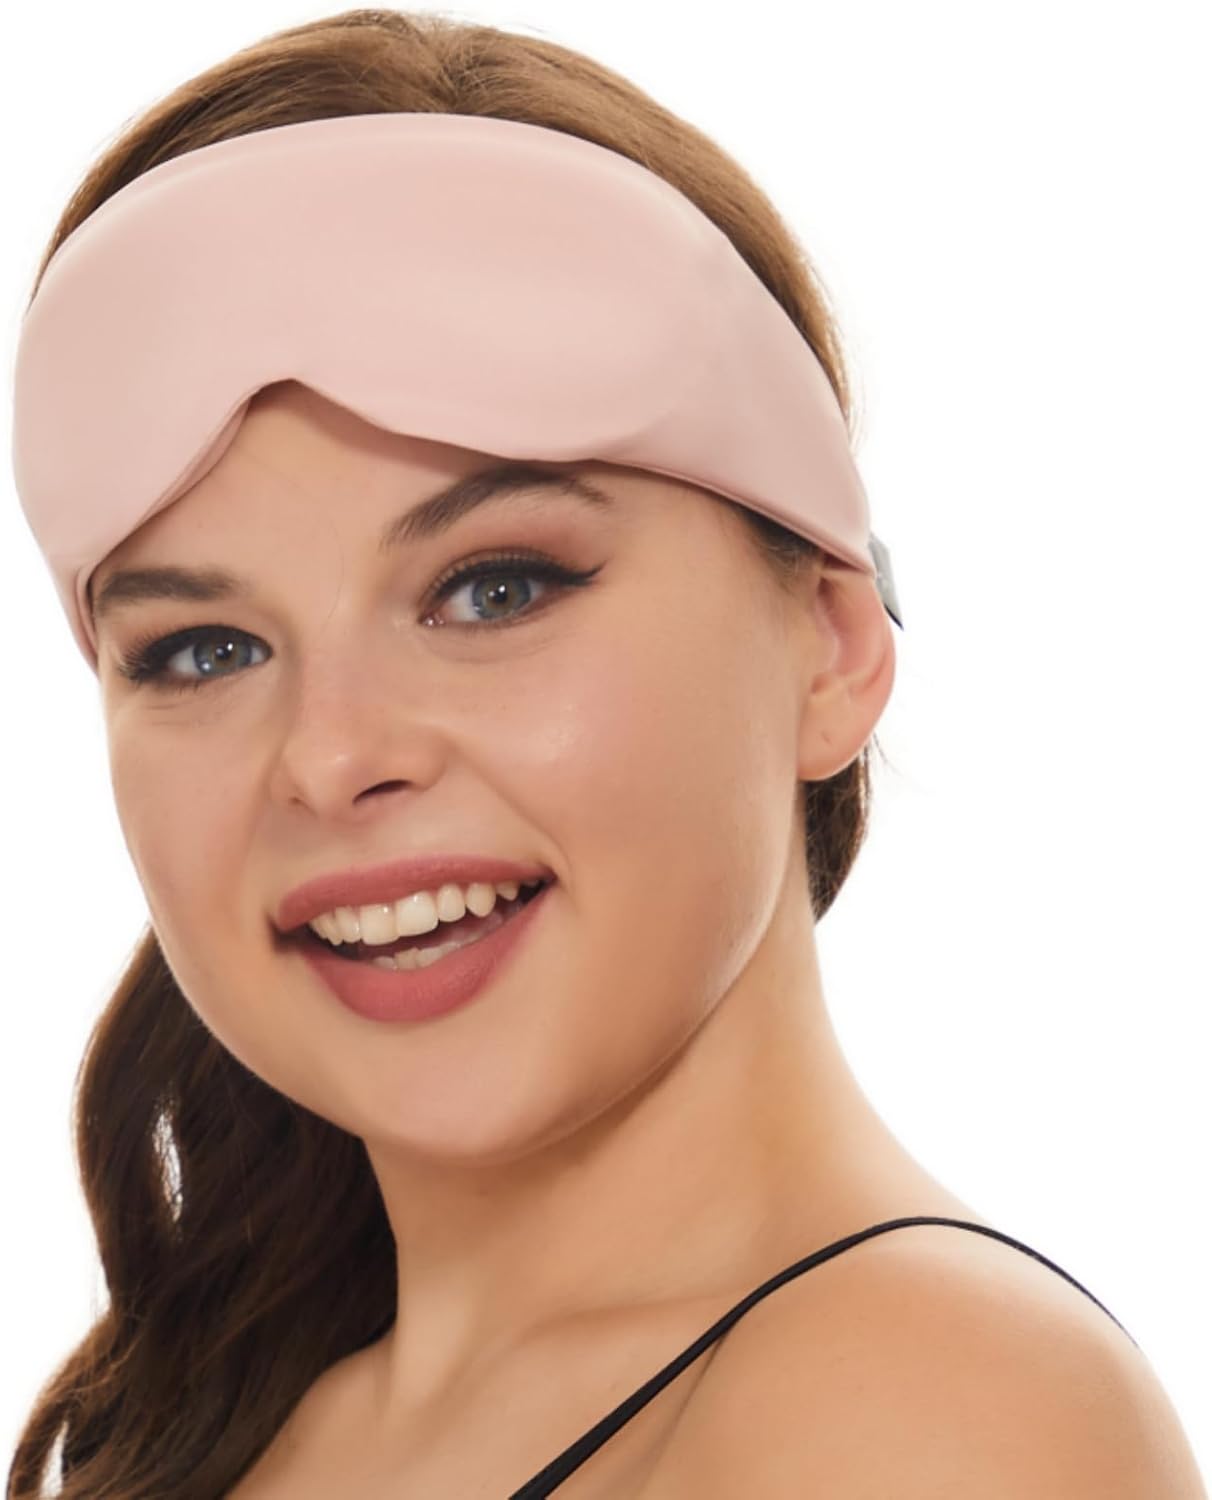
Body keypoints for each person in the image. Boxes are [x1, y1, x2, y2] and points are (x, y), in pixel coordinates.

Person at [6, 10, 1205, 1500]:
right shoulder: (245, 1414)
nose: (329, 755)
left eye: (495, 588)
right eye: (205, 650)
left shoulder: (930, 1419)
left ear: (832, 644)